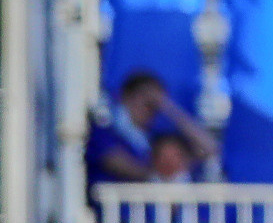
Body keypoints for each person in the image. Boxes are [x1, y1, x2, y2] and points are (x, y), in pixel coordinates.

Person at [88, 70, 217, 185]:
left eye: (152, 104)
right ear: (126, 98)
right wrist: (166, 176)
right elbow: (120, 164)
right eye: (142, 99)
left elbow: (209, 148)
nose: (149, 107)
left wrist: (166, 105)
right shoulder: (104, 132)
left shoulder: (154, 140)